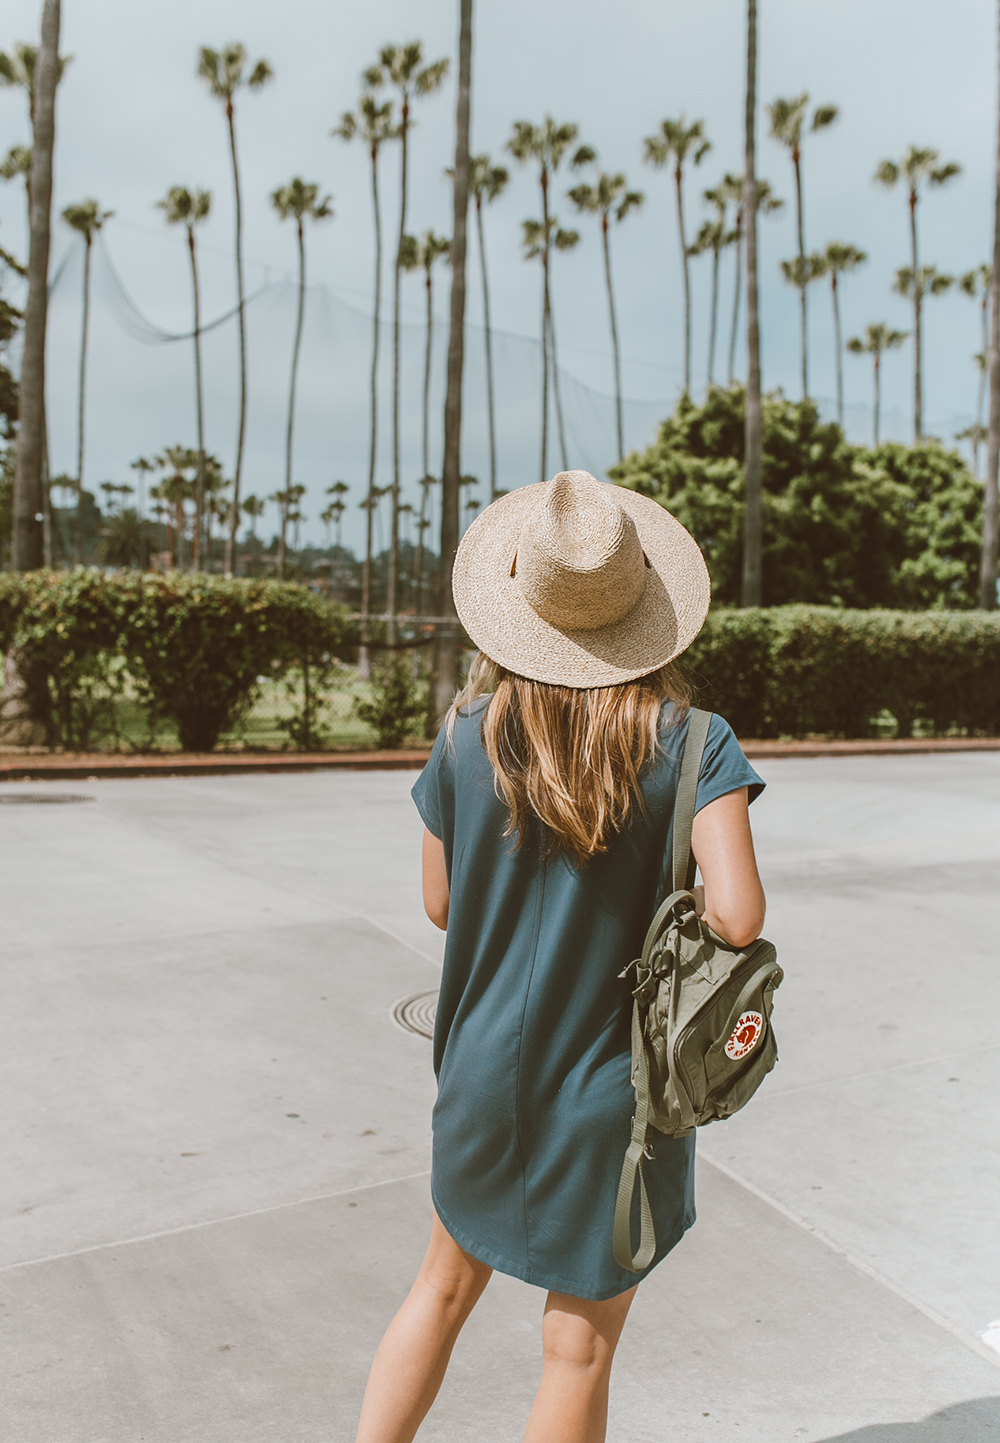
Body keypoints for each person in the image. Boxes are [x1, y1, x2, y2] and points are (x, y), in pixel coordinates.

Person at [354, 470, 766, 1443]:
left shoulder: (466, 735)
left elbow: (441, 901)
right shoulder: (696, 745)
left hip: (479, 1075)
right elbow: (738, 918)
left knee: (439, 1290)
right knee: (575, 1349)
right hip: (609, 1101)